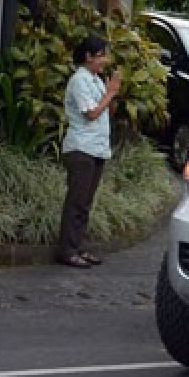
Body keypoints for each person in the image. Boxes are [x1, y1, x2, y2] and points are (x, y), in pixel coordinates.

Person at [57, 35, 121, 269]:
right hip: (81, 148)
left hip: (96, 148)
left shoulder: (96, 79)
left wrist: (112, 93)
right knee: (76, 201)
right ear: (88, 57)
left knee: (85, 203)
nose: (105, 60)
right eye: (101, 55)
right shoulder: (79, 80)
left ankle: (77, 246)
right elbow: (91, 113)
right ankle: (67, 250)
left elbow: (105, 112)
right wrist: (111, 92)